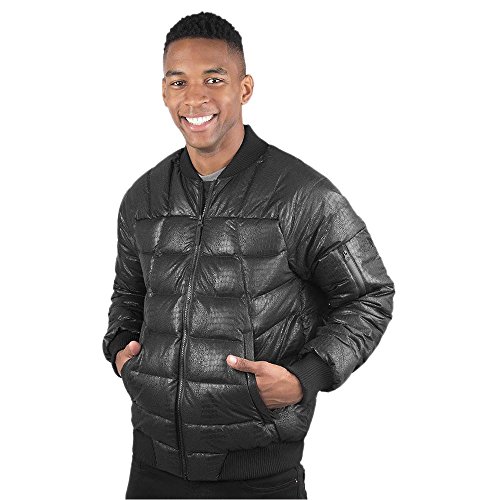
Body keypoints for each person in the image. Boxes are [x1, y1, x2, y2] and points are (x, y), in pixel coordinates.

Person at [102, 11, 395, 499]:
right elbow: (128, 294)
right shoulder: (143, 197)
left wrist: (305, 377)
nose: (195, 98)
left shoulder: (302, 195)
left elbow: (369, 295)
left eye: (213, 79)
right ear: (164, 92)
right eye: (179, 81)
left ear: (244, 88)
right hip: (152, 466)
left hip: (259, 475)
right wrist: (119, 350)